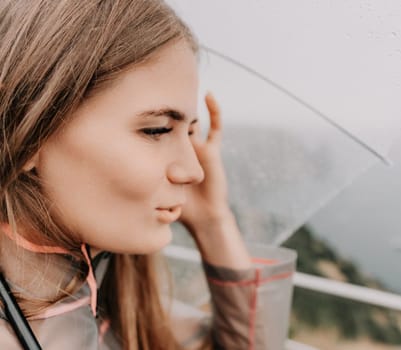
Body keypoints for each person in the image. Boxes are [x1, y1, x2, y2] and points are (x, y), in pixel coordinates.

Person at [0, 1, 296, 349]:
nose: (194, 171)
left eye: (190, 133)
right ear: (27, 131)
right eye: (157, 130)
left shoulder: (103, 303)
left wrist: (213, 222)